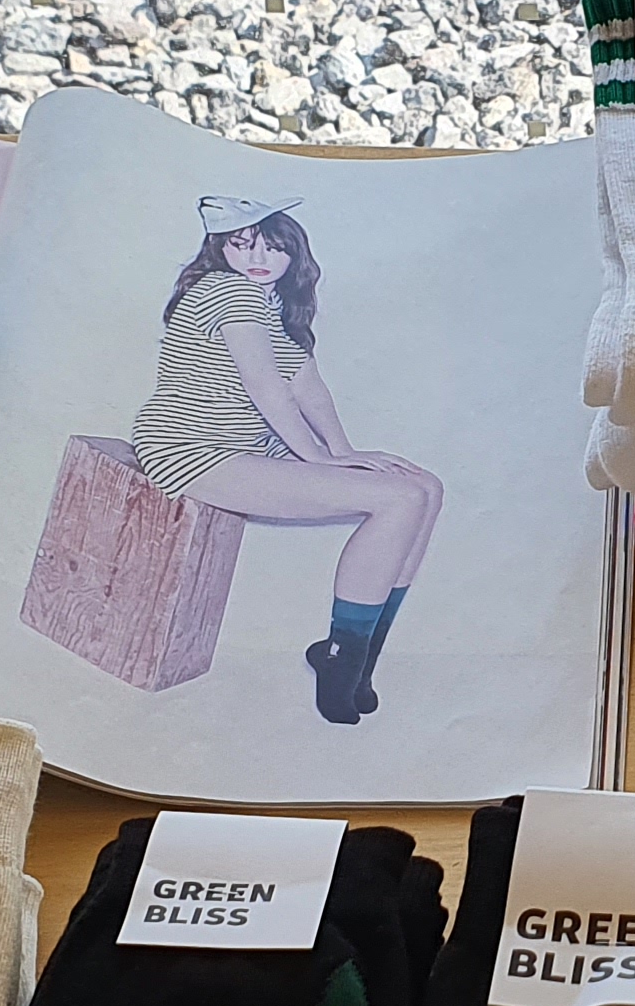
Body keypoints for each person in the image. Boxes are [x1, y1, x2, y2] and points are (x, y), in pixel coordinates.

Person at [130, 192, 441, 725]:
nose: (258, 258)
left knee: (425, 488)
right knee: (399, 500)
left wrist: (342, 452)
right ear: (220, 249)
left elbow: (307, 388)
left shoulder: (269, 306)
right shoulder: (230, 292)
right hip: (192, 448)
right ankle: (341, 661)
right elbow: (266, 387)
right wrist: (318, 459)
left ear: (294, 254)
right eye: (241, 244)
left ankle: (359, 661)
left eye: (273, 247)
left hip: (245, 446)